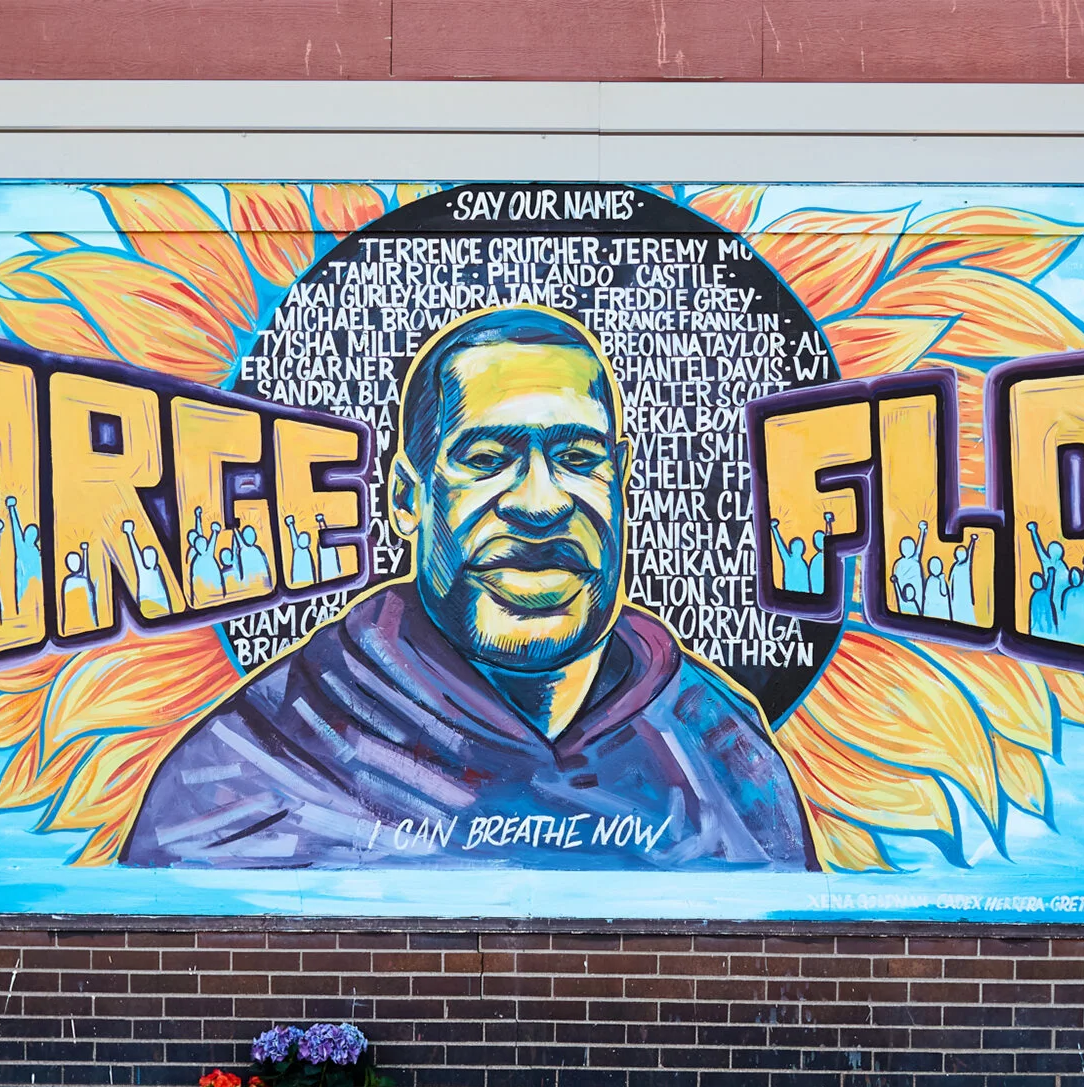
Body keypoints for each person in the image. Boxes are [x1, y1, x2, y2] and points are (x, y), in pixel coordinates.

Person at [124, 305, 813, 872]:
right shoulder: (252, 769)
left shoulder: (720, 748)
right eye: (486, 459)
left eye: (578, 458)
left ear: (621, 480)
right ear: (407, 498)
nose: (541, 504)